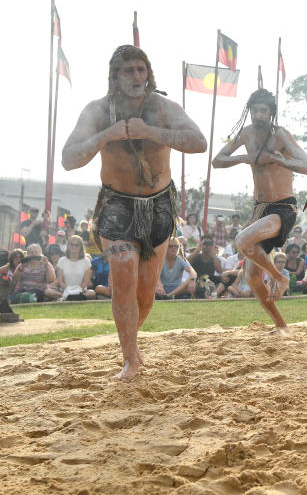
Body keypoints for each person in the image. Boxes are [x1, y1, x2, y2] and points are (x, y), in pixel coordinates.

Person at [61, 44, 207, 381]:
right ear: (115, 76)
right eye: (128, 70)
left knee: (144, 293)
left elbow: (198, 141)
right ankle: (131, 360)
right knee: (123, 270)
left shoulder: (163, 108)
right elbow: (69, 158)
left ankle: (130, 344)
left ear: (149, 73)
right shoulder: (97, 111)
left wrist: (150, 132)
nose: (136, 76)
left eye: (141, 69)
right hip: (117, 205)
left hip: (158, 205)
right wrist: (107, 135)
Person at [213, 88, 307, 332]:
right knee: (252, 278)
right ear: (250, 111)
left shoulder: (281, 135)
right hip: (260, 208)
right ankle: (282, 326)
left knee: (242, 239)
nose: (258, 115)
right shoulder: (245, 134)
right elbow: (217, 161)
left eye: (263, 111)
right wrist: (246, 158)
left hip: (283, 206)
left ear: (271, 113)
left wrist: (277, 159)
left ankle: (279, 277)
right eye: (255, 110)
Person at [55, 235, 95, 301]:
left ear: (81, 247)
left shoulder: (86, 261)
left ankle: (74, 296)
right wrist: (68, 290)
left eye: (77, 245)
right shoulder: (62, 260)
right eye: (72, 245)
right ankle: (69, 296)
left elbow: (86, 281)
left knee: (92, 293)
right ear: (68, 246)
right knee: (48, 292)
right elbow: (60, 281)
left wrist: (78, 290)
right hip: (64, 290)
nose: (74, 247)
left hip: (81, 290)